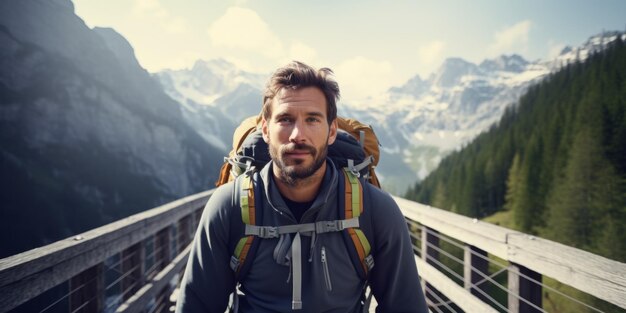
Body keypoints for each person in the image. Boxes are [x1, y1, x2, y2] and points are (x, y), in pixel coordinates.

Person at [176, 61, 428, 312]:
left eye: (312, 120)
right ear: (265, 130)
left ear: (332, 131)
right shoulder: (229, 207)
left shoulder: (375, 210)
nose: (298, 134)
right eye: (285, 119)